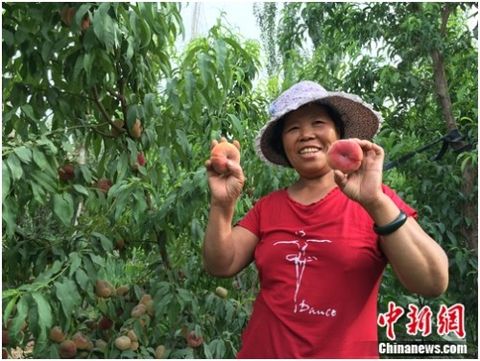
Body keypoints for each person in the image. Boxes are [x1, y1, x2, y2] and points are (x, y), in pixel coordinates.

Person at [203, 81, 449, 358]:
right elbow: (221, 264)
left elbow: (433, 281)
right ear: (283, 145)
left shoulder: (376, 201)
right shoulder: (268, 207)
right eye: (293, 128)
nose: (306, 134)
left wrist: (376, 202)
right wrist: (222, 205)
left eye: (318, 123)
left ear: (339, 135)